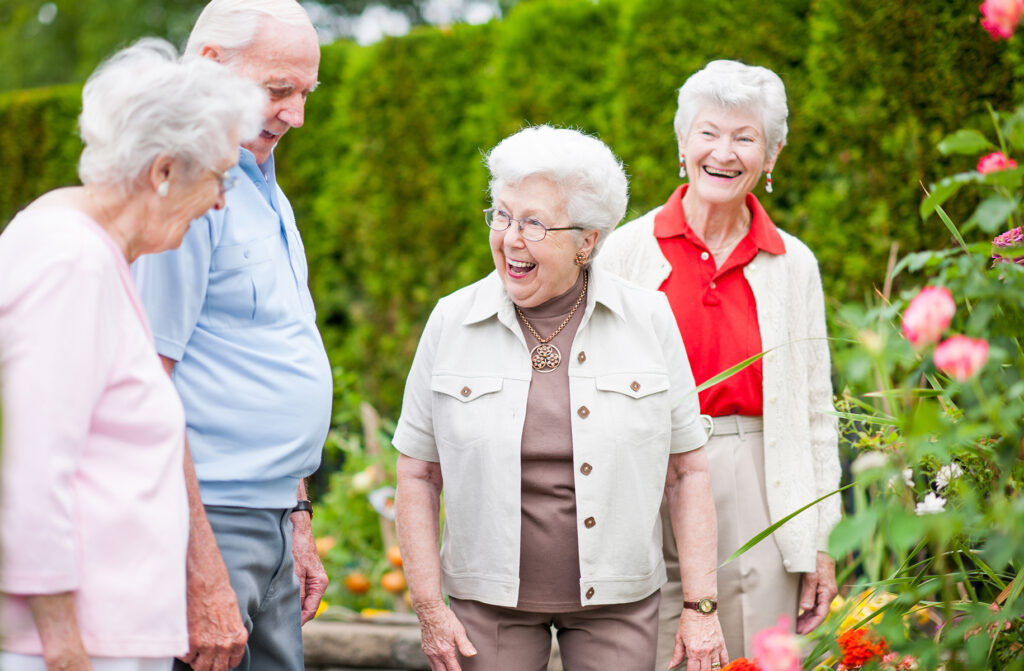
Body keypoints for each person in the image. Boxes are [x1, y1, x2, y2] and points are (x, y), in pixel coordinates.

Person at [393, 125, 729, 671]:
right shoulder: (452, 320)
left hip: (619, 603)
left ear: (587, 242)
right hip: (487, 608)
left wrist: (700, 607)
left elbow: (686, 472)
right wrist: (430, 605)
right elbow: (416, 473)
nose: (510, 239)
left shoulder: (647, 318)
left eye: (534, 223)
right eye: (501, 216)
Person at [0, 39, 264, 671]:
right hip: (72, 647)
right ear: (165, 170)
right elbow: (29, 468)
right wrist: (65, 649)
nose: (222, 201)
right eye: (220, 177)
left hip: (106, 636)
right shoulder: (70, 261)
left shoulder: (98, 256)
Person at [599, 60, 842, 667]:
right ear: (683, 144)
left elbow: (815, 412)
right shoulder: (625, 250)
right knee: (646, 651)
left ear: (772, 154)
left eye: (745, 137)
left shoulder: (793, 264)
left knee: (754, 657)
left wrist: (821, 542)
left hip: (755, 477)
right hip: (643, 473)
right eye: (709, 132)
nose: (724, 152)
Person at [131, 2, 332, 670]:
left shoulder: (267, 188)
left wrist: (298, 514)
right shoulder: (183, 191)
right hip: (208, 520)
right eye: (279, 90)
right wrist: (200, 569)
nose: (297, 116)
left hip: (272, 516)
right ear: (211, 67)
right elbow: (146, 391)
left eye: (305, 93)